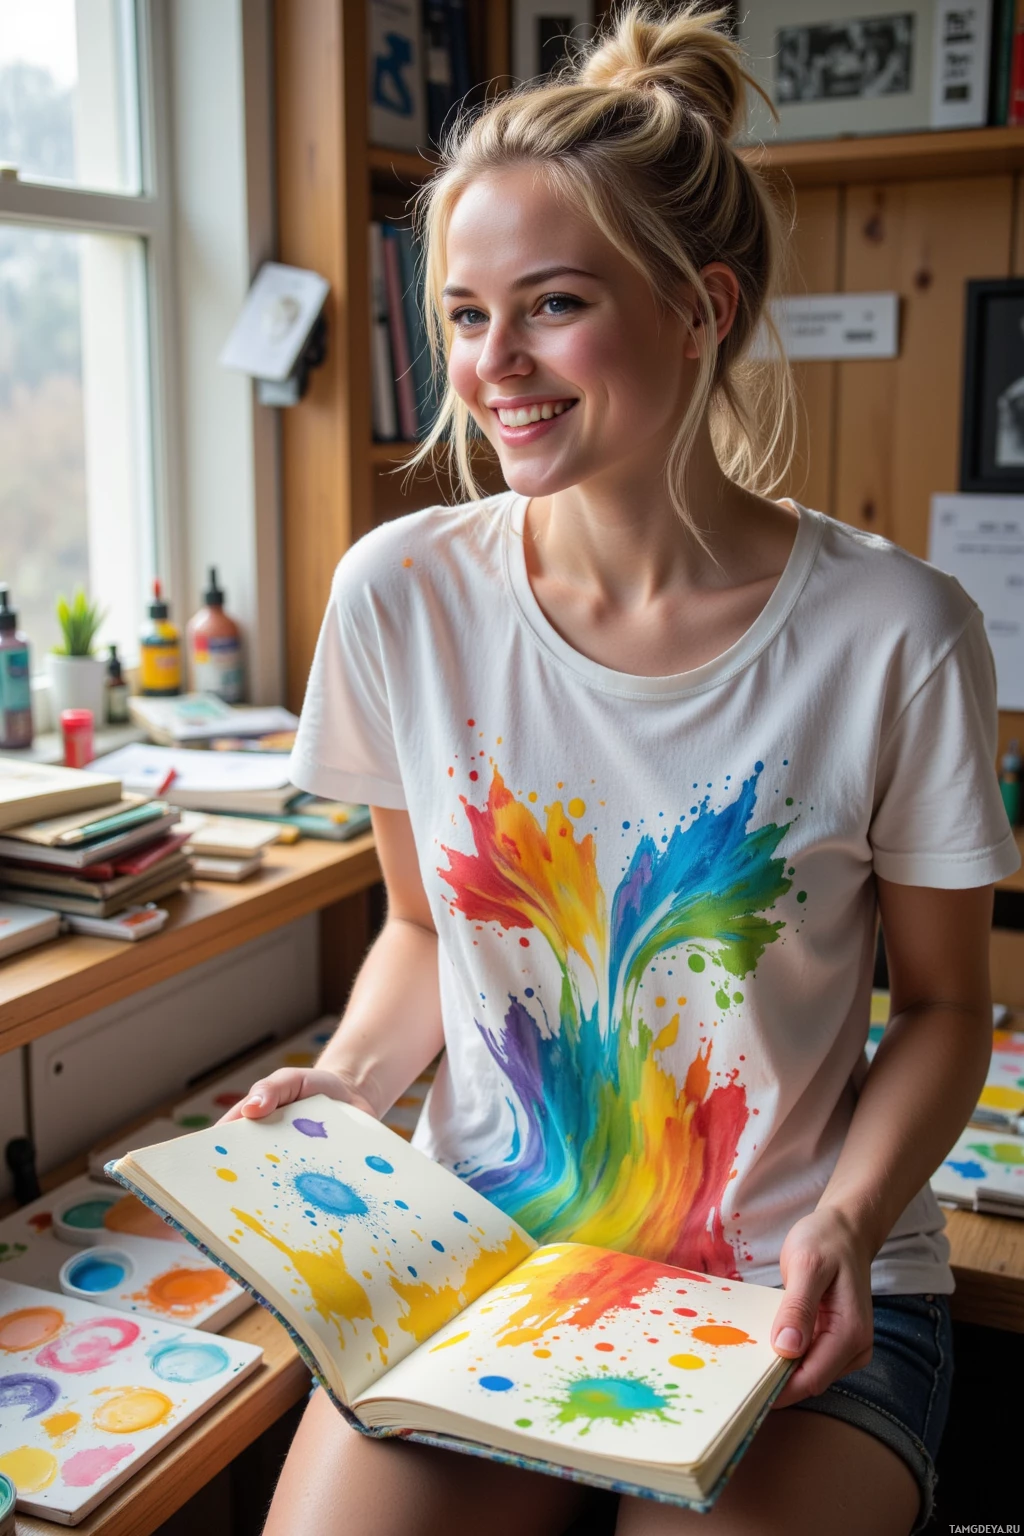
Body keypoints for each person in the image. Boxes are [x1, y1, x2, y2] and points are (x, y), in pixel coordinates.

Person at [230, 7, 1019, 1533]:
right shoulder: (401, 594)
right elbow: (415, 929)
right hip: (491, 1264)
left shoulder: (895, 634)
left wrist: (851, 1223)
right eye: (463, 315)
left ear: (700, 307)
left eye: (553, 305)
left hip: (789, 1286)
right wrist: (344, 1084)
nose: (493, 364)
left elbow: (942, 1007)